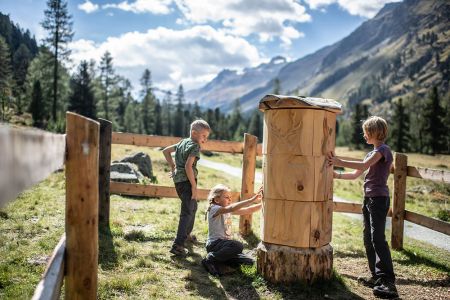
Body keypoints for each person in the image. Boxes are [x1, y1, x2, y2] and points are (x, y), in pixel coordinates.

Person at [327, 116, 398, 299]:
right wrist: (337, 175)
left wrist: (339, 161)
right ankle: (376, 277)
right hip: (368, 200)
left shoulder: (383, 150)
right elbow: (355, 174)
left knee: (377, 238)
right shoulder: (370, 153)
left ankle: (388, 282)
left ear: (375, 132)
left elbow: (363, 166)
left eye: (367, 131)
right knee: (368, 238)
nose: (364, 134)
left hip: (379, 200)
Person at [163, 119, 211, 256]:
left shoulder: (183, 142)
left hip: (178, 182)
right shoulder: (195, 146)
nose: (205, 140)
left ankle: (187, 235)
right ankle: (177, 245)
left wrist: (173, 166)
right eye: (204, 136)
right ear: (195, 133)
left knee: (192, 207)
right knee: (186, 212)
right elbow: (188, 166)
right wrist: (194, 187)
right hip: (187, 182)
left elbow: (166, 151)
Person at [202, 184, 263, 276]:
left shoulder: (226, 210)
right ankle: (210, 259)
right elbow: (231, 207)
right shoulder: (214, 209)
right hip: (214, 245)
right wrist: (252, 200)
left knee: (250, 262)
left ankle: (221, 261)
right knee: (238, 246)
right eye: (227, 197)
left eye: (230, 197)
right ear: (217, 199)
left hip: (225, 247)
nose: (230, 200)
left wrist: (264, 203)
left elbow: (248, 210)